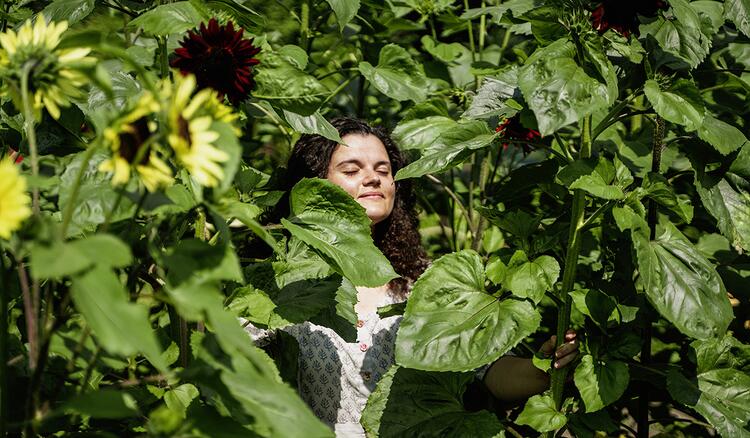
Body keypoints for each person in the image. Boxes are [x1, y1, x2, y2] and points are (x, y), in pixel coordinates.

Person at [247, 117, 578, 437]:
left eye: (383, 170)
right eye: (351, 170)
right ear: (311, 183)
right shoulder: (279, 280)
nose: (373, 179)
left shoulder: (421, 283)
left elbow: (487, 369)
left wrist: (545, 365)